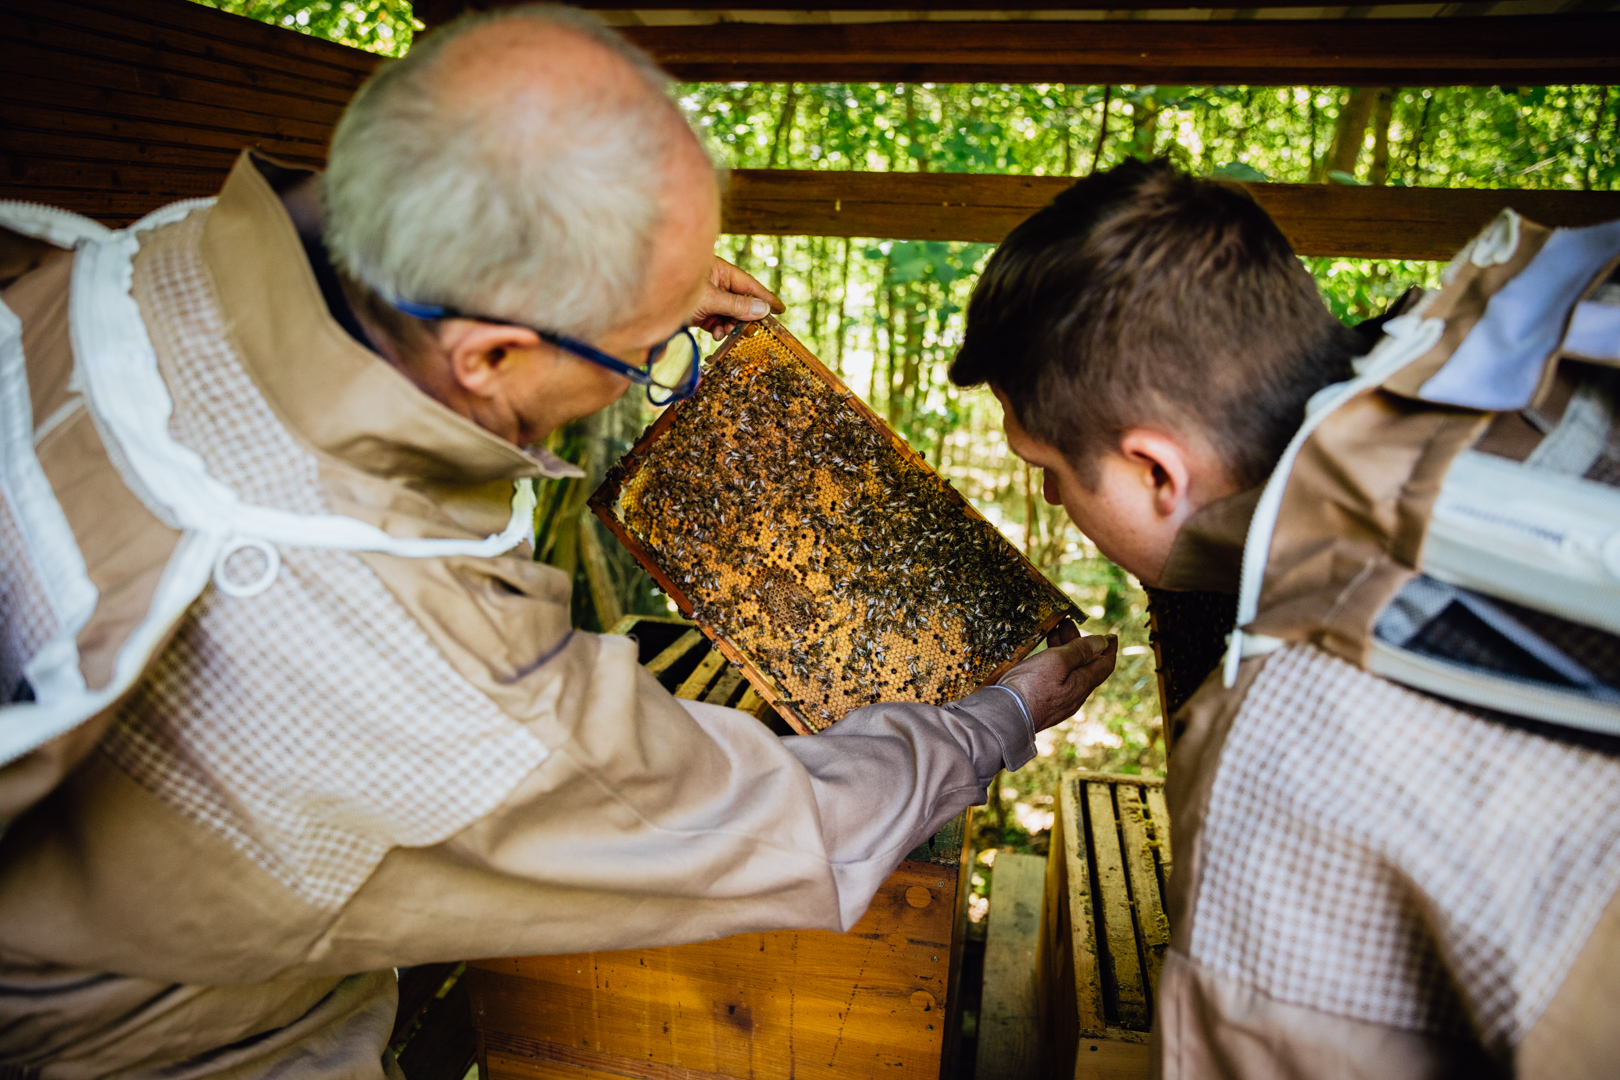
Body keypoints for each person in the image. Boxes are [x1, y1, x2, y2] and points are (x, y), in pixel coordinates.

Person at [0, 7, 1117, 1076]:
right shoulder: (402, 639)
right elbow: (756, 828)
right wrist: (998, 715)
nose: (656, 364)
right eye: (642, 354)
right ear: (487, 356)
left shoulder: (150, 261)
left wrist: (636, 290)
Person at [951, 158, 1620, 1078]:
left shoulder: (1288, 749)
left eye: (1052, 470)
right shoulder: (1540, 361)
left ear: (1156, 471)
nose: (1048, 496)